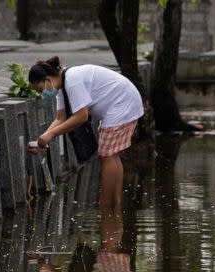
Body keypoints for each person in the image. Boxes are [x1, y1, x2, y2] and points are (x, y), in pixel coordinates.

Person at [26, 56, 144, 209]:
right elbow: (60, 118)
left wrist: (51, 135)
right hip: (122, 102)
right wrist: (41, 141)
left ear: (48, 80)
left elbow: (81, 117)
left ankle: (108, 205)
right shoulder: (63, 86)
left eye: (41, 89)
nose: (43, 94)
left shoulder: (72, 81)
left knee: (107, 155)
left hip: (122, 102)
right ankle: (114, 204)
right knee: (111, 155)